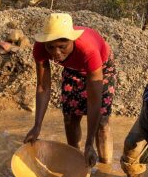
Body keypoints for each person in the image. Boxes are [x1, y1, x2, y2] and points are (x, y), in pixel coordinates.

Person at [25, 13, 116, 167]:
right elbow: (43, 86)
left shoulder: (88, 50)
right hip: (72, 68)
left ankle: (105, 167)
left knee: (102, 122)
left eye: (62, 47)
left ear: (72, 40)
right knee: (70, 117)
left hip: (101, 66)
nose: (56, 53)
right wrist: (37, 126)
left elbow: (94, 101)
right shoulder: (40, 47)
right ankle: (76, 163)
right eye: (51, 47)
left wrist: (89, 143)